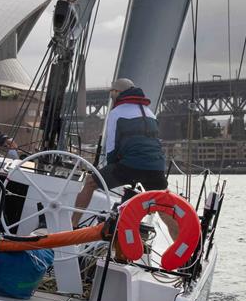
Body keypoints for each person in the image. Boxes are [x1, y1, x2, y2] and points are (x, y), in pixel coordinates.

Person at [72, 78, 174, 236]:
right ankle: (183, 249)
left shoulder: (117, 112)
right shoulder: (150, 112)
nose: (111, 96)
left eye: (112, 92)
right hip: (156, 167)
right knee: (162, 206)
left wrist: (112, 168)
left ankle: (72, 227)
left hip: (130, 165)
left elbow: (111, 146)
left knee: (91, 182)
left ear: (118, 93)